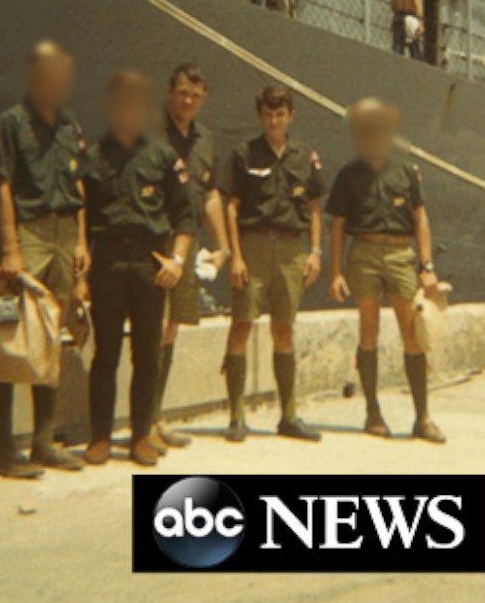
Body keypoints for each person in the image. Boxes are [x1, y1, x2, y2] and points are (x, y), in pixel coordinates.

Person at [81, 72, 195, 467]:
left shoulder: (162, 156)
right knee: (105, 354)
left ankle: (141, 436)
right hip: (108, 261)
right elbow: (84, 215)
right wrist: (82, 272)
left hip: (150, 263)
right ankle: (99, 437)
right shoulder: (94, 156)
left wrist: (177, 261)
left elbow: (185, 216)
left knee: (148, 355)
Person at [0, 41, 91, 478]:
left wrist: (82, 242)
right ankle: (3, 450)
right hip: (29, 232)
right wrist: (10, 247)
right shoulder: (12, 123)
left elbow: (79, 188)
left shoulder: (70, 125)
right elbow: (3, 186)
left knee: (50, 337)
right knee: (11, 339)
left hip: (65, 234)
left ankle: (43, 442)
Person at [327, 98, 445, 444]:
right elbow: (338, 225)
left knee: (413, 333)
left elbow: (420, 217)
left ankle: (422, 417)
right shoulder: (349, 174)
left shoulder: (406, 172)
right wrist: (335, 272)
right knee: (368, 332)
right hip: (363, 251)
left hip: (399, 254)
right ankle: (372, 412)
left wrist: (426, 265)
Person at [219, 85, 325, 443]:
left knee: (284, 328)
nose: (273, 121)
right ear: (259, 116)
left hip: (292, 250)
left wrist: (315, 252)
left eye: (279, 114)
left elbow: (313, 208)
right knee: (242, 325)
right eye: (267, 114)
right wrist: (235, 253)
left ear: (290, 116)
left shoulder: (304, 155)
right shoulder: (244, 153)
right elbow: (231, 206)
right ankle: (236, 416)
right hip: (254, 247)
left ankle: (289, 415)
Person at [152, 62, 231, 450]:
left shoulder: (204, 140)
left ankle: (154, 416)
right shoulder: (151, 134)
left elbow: (210, 193)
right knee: (151, 328)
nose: (188, 101)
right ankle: (143, 421)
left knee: (170, 329)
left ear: (204, 99)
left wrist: (223, 245)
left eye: (195, 96)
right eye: (182, 93)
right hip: (152, 243)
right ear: (170, 92)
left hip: (186, 244)